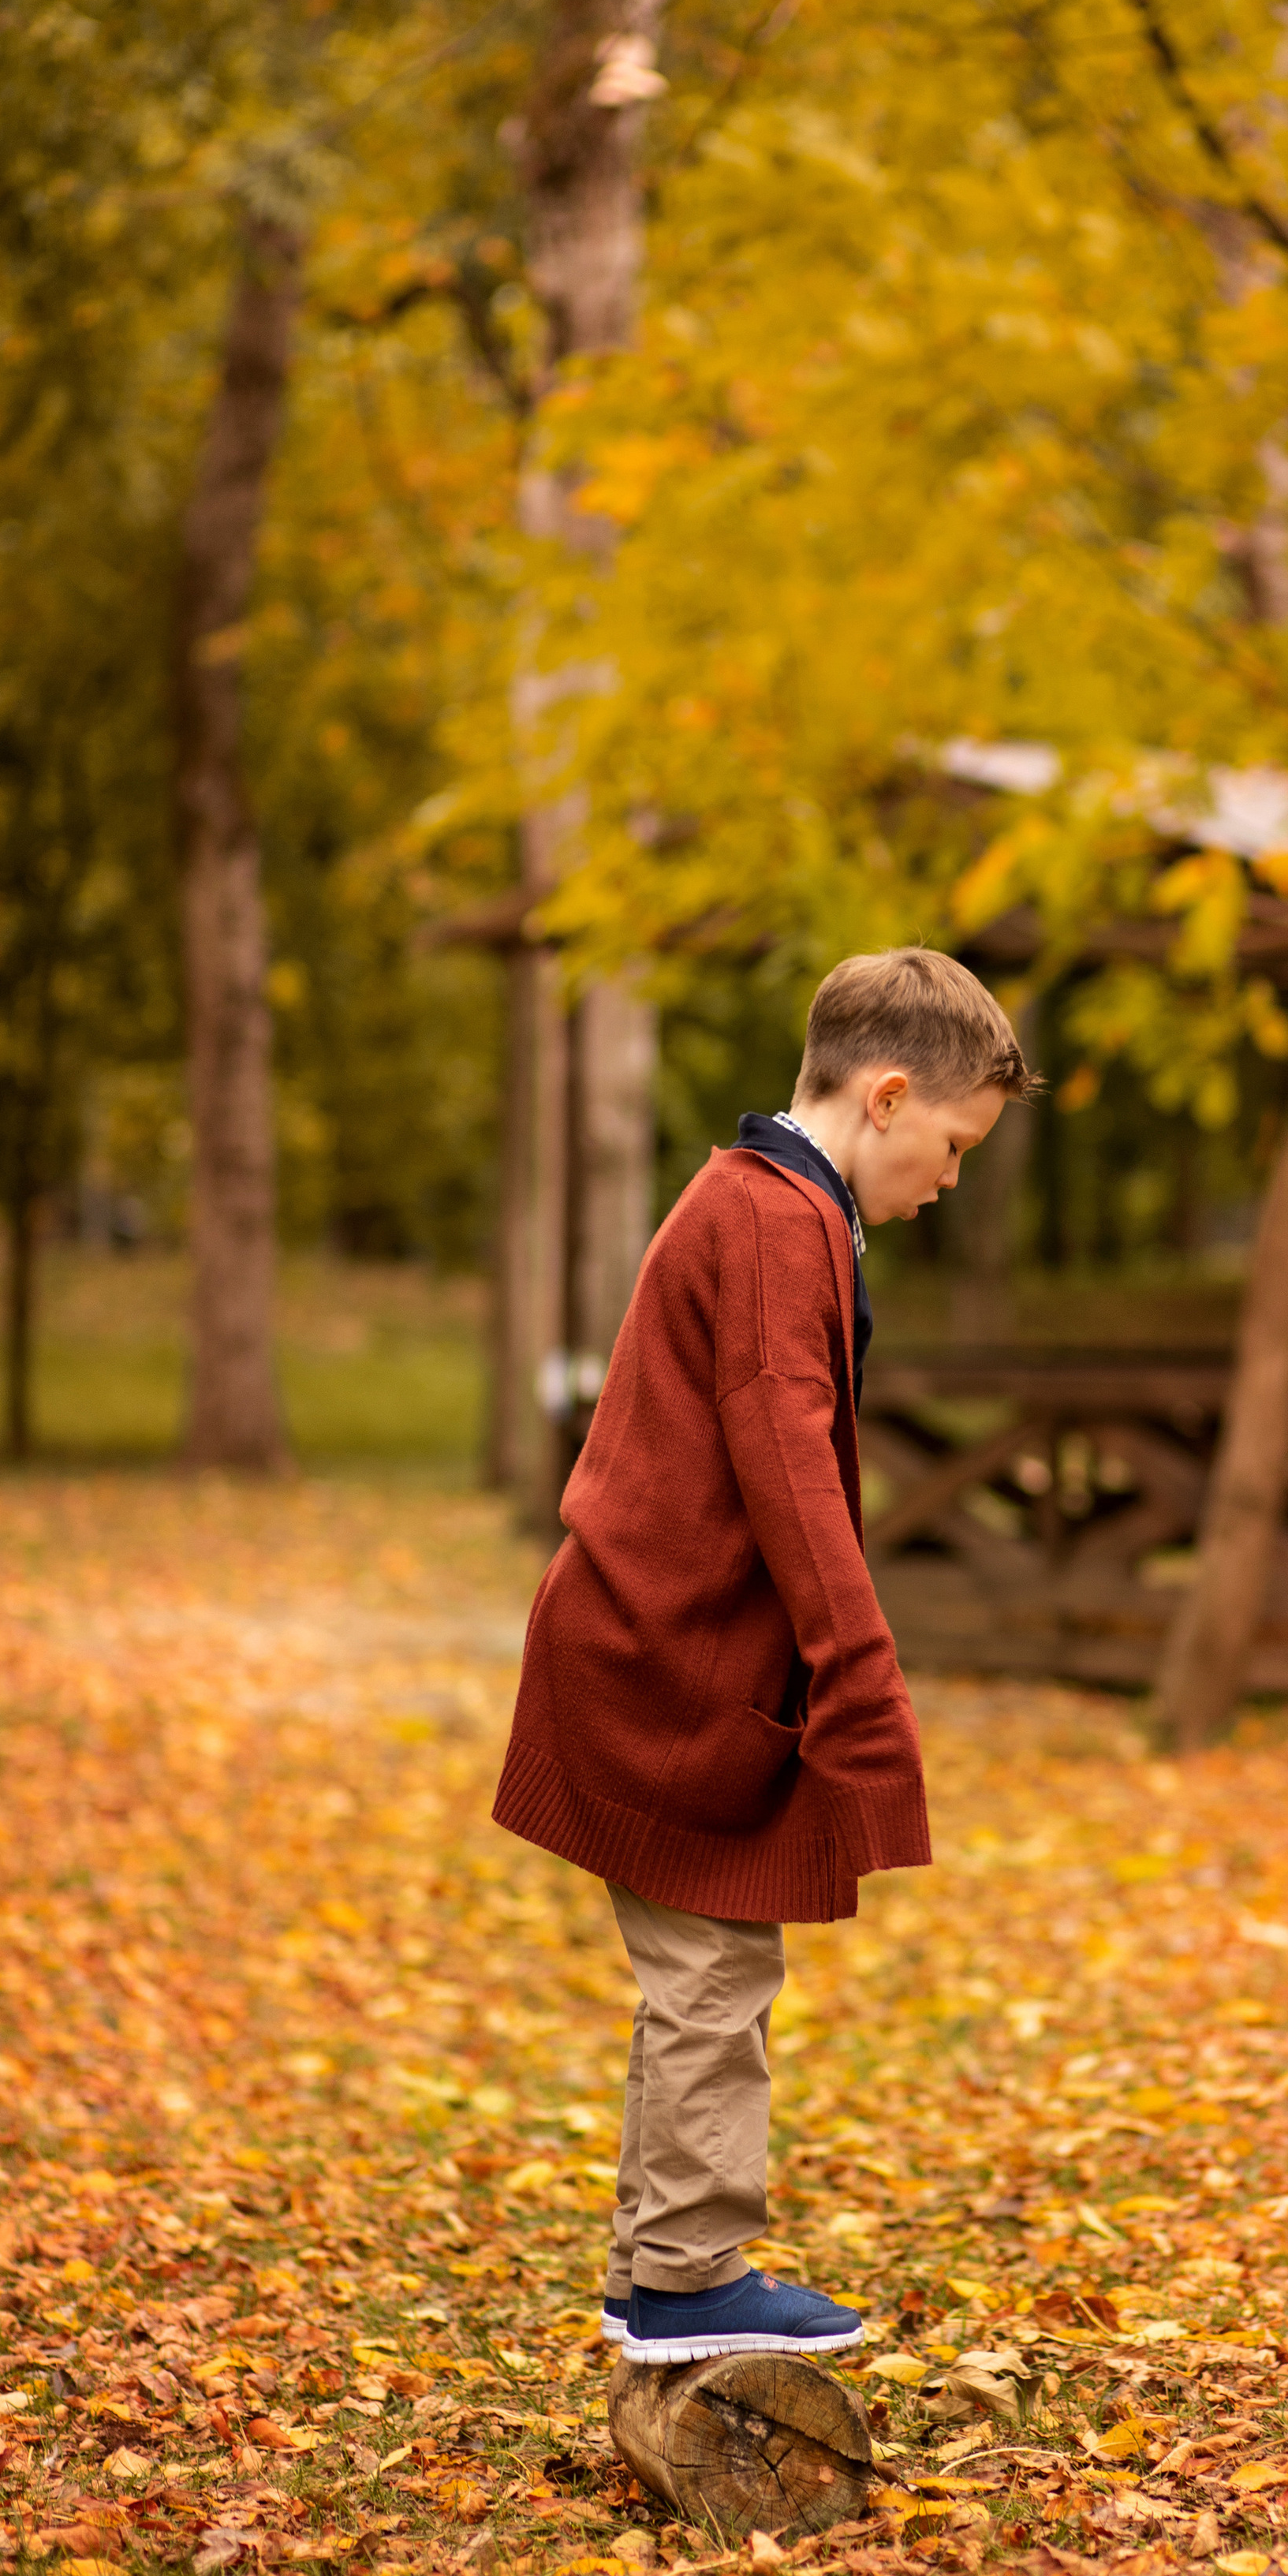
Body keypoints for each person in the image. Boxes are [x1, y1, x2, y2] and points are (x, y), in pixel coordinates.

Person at [494, 947, 1037, 2365]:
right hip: (658, 1662)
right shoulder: (774, 1222)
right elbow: (791, 1472)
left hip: (663, 1653)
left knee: (708, 1967)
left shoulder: (773, 1206)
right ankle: (684, 2279)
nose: (954, 1176)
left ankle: (653, 2272)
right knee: (714, 1978)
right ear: (889, 1093)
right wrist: (864, 1684)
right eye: (956, 1144)